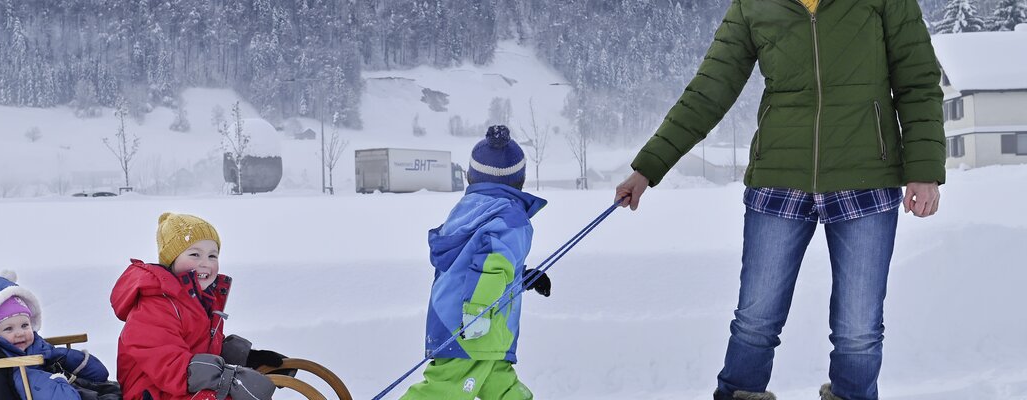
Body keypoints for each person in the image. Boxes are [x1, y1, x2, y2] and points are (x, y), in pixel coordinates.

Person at [613, 1, 945, 399]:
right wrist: (649, 166)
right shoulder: (752, 5)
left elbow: (917, 79)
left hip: (866, 179)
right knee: (756, 319)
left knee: (859, 330)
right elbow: (709, 89)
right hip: (778, 180)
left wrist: (923, 170)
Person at [400, 125, 551, 400]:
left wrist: (522, 277)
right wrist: (476, 315)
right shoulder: (511, 218)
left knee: (506, 392)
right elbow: (491, 266)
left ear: (471, 176)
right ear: (521, 180)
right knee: (441, 392)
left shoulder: (467, 211)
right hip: (474, 332)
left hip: (469, 328)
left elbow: (474, 263)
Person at [111, 212, 285, 400]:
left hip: (184, 389)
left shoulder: (197, 301)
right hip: (154, 393)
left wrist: (247, 360)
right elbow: (172, 367)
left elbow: (202, 349)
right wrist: (230, 377)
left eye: (212, 256)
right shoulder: (154, 305)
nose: (205, 263)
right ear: (171, 260)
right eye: (195, 254)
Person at [0, 271, 119, 400]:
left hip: (68, 384)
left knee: (115, 389)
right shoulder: (5, 362)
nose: (20, 333)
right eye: (8, 329)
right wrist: (60, 383)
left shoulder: (35, 346)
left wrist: (83, 363)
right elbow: (41, 387)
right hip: (56, 390)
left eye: (25, 325)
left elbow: (59, 356)